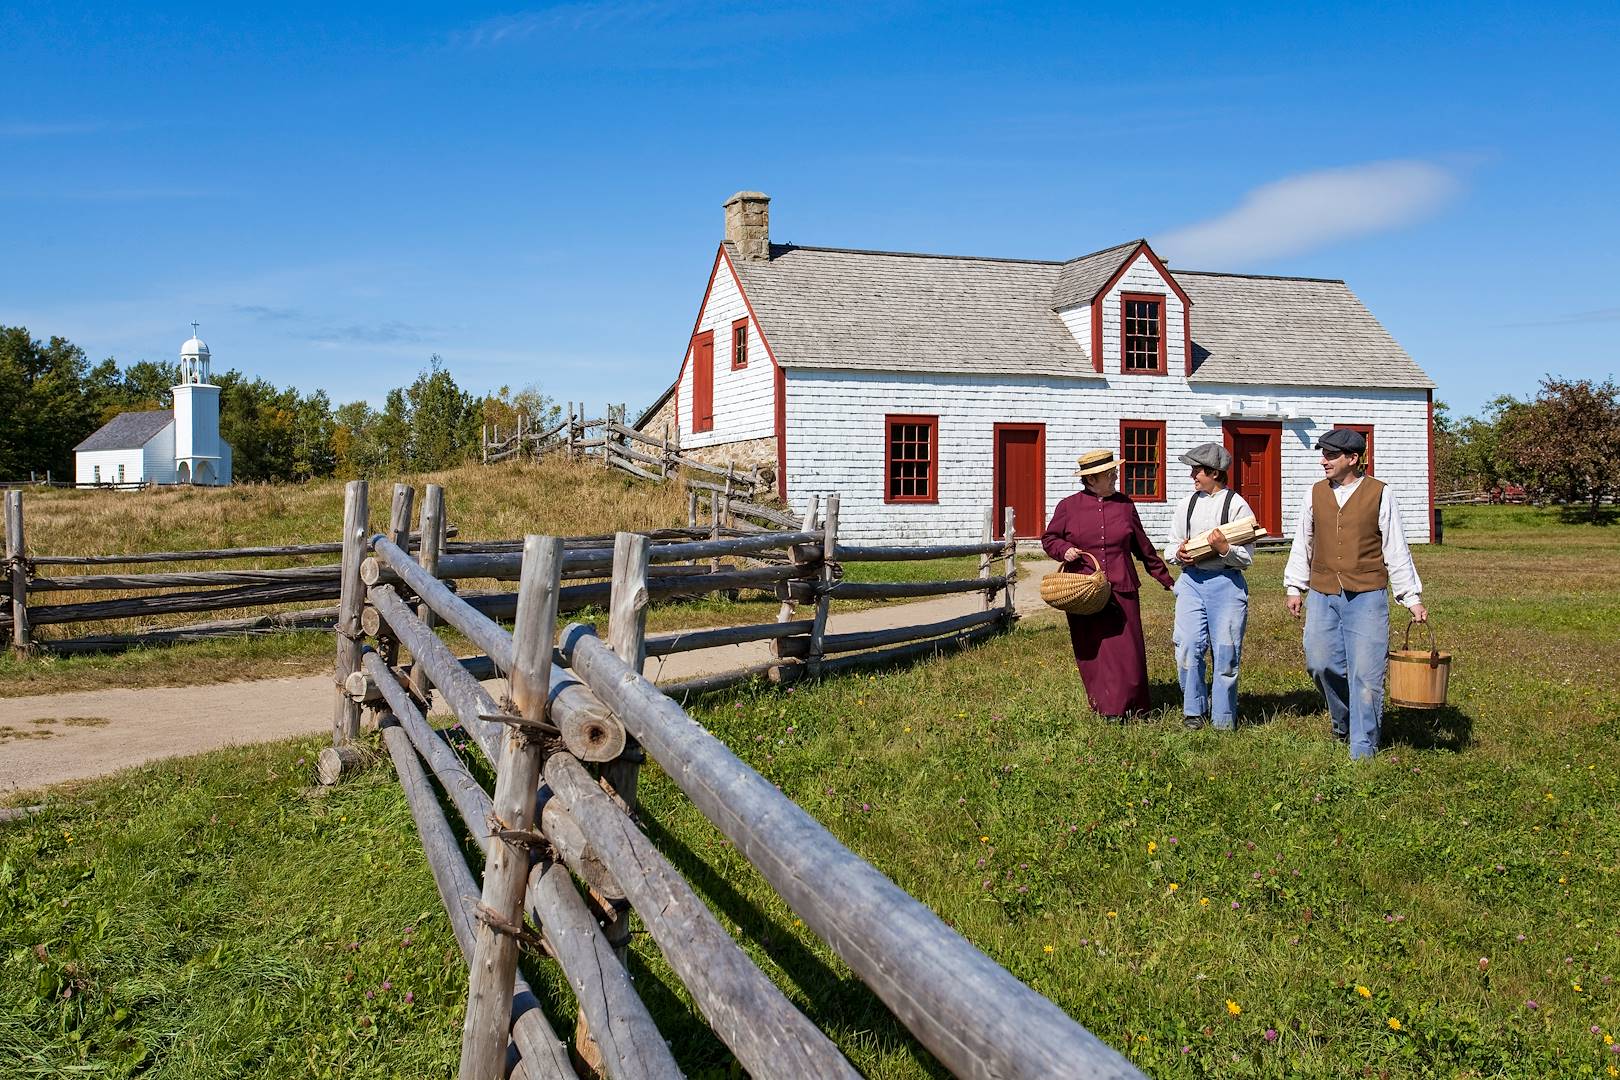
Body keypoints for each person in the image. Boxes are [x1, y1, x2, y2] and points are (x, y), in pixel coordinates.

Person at [1284, 427, 1429, 760]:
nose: (1324, 461)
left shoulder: (1380, 493)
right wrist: (1295, 586)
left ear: (1353, 458)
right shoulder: (1315, 493)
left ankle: (1363, 748)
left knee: (1366, 673)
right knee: (1320, 664)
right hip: (1322, 591)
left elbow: (1396, 547)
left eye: (1331, 455)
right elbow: (1302, 541)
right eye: (1323, 454)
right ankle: (1344, 721)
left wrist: (1411, 597)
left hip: (1367, 594)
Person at [1041, 448, 1174, 720]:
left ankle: (1135, 707)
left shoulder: (1126, 505)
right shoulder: (1068, 506)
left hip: (1122, 586)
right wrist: (1063, 549)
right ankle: (1106, 707)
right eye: (1109, 474)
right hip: (1083, 590)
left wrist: (1167, 580)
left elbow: (1143, 547)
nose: (1116, 477)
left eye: (1114, 472)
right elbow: (1049, 538)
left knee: (1129, 650)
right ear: (1091, 480)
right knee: (1093, 648)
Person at [1163, 442, 1255, 731]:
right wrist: (1177, 554)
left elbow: (1247, 558)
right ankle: (1193, 709)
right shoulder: (1186, 504)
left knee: (1226, 650)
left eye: (1197, 470)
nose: (1193, 475)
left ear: (1215, 473)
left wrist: (1225, 548)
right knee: (1188, 645)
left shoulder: (1236, 505)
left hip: (1226, 584)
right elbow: (1169, 545)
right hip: (1191, 582)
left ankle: (1224, 718)